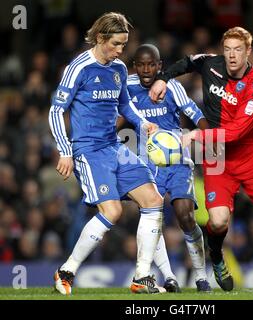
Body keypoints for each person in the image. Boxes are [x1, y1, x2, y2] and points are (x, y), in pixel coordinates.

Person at [149, 26, 253, 293]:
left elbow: (238, 131)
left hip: (249, 155)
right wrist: (163, 78)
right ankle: (216, 257)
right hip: (217, 157)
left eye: (238, 50)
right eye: (227, 49)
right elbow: (189, 62)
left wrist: (196, 136)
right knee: (216, 222)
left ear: (248, 51)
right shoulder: (211, 64)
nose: (231, 55)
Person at [49, 12, 166, 295]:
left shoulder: (119, 69)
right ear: (101, 38)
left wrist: (142, 122)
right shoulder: (79, 68)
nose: (120, 51)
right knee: (112, 212)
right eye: (116, 44)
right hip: (88, 151)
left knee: (153, 199)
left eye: (123, 45)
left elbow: (125, 106)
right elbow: (56, 111)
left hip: (114, 146)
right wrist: (65, 151)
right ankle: (66, 271)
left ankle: (142, 278)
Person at [119, 44, 212, 292]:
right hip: (147, 164)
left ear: (160, 66)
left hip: (177, 160)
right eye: (141, 64)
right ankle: (170, 277)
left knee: (185, 215)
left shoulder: (172, 86)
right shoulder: (126, 87)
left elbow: (194, 113)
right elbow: (114, 117)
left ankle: (201, 277)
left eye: (152, 64)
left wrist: (202, 132)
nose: (147, 69)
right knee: (153, 218)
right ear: (135, 66)